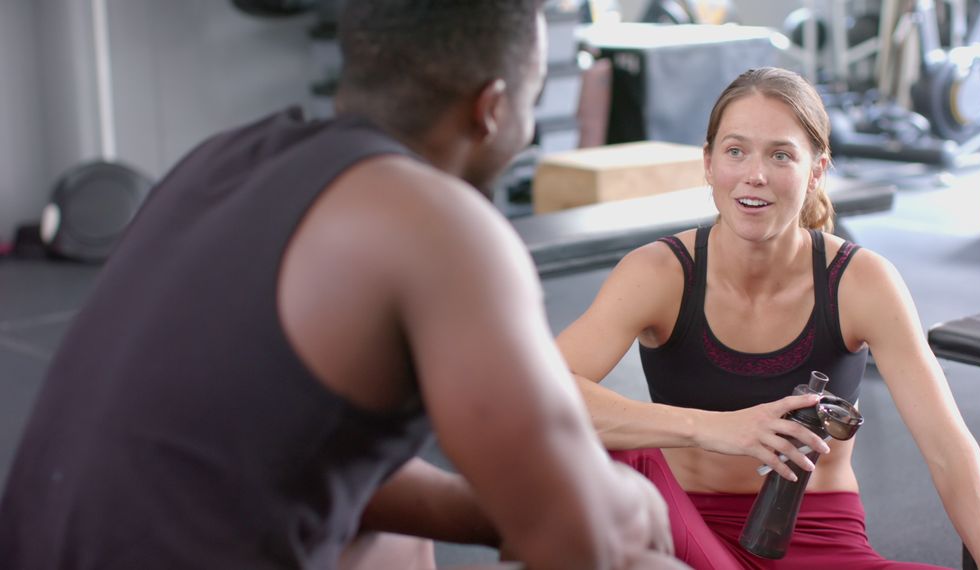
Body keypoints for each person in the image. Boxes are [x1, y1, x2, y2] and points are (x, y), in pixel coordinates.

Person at [0, 2, 687, 569]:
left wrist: (490, 513)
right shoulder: (440, 224)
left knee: (394, 541)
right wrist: (629, 501)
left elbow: (282, 455)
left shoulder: (216, 162)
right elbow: (581, 543)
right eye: (533, 104)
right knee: (647, 563)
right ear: (493, 108)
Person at [555, 67, 980, 570]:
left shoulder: (861, 282)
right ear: (708, 164)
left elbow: (950, 450)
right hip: (687, 529)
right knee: (623, 456)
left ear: (816, 171)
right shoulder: (659, 273)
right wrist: (716, 429)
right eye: (735, 151)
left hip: (820, 536)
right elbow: (539, 392)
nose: (755, 174)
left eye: (781, 155)